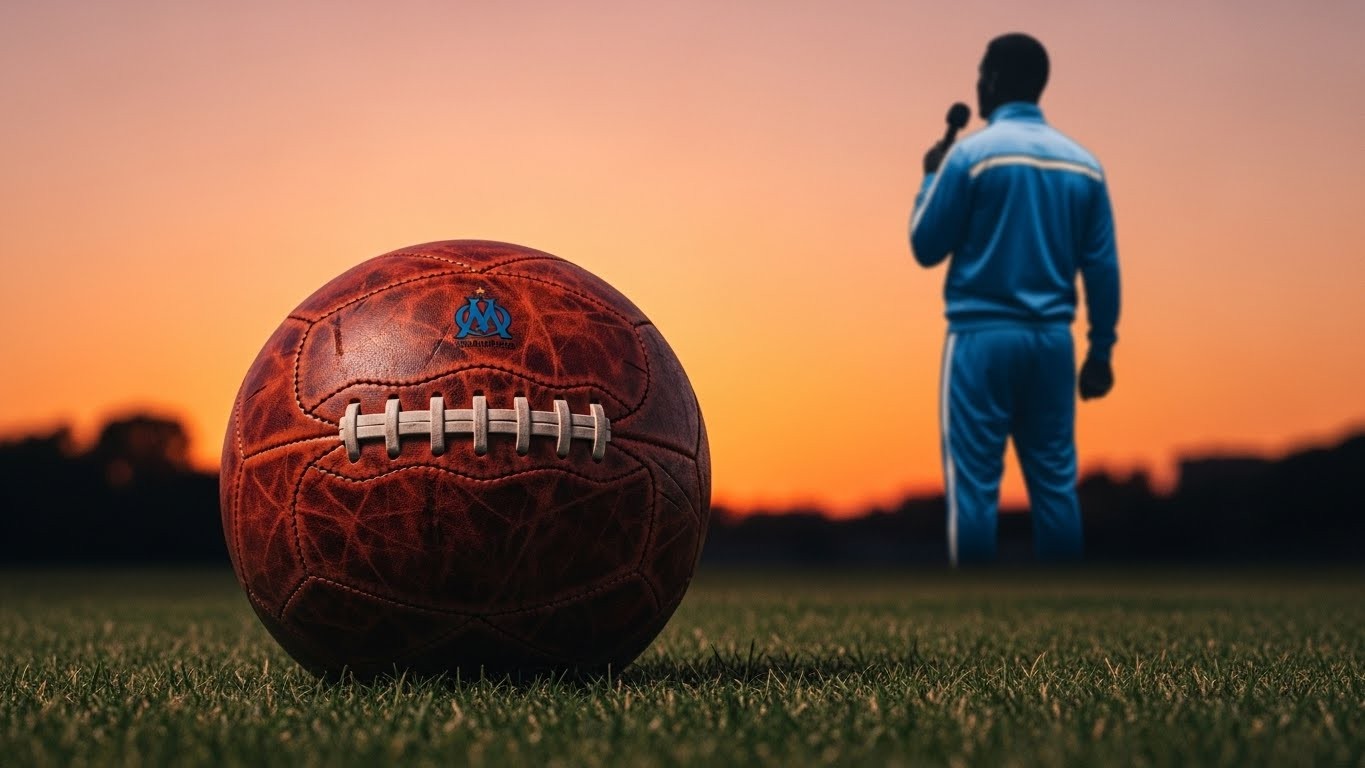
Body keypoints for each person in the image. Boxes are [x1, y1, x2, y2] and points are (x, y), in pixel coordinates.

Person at [909, 33, 1120, 565]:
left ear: (997, 80)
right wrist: (1101, 351)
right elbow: (1102, 267)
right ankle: (1066, 614)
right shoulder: (1084, 165)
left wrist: (929, 178)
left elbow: (926, 244)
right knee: (1054, 482)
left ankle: (977, 612)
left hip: (980, 337)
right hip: (1052, 340)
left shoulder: (970, 158)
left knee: (975, 486)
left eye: (983, 73)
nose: (978, 84)